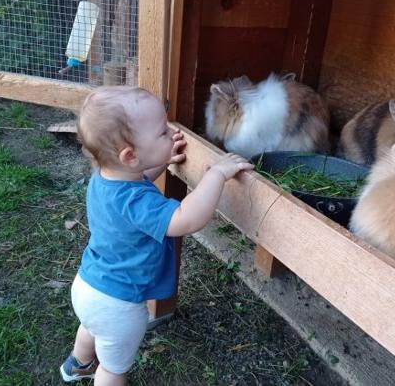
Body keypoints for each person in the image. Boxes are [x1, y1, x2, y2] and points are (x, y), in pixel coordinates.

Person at [60, 86, 253, 385]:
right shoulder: (138, 202)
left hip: (88, 287)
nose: (169, 132)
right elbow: (185, 220)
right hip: (119, 305)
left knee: (91, 326)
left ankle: (79, 364)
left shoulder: (104, 178)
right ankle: (96, 372)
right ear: (130, 156)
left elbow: (140, 180)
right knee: (112, 369)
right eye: (162, 133)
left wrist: (163, 160)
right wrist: (216, 174)